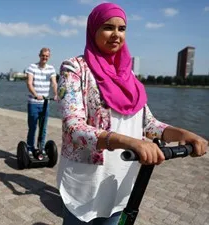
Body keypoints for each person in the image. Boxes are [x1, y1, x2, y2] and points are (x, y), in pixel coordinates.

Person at [56, 3, 208, 225]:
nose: (116, 34)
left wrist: (183, 134)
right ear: (93, 30)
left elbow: (148, 124)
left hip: (122, 179)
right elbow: (73, 127)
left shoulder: (129, 77)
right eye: (108, 27)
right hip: (86, 181)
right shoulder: (75, 68)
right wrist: (130, 143)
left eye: (122, 28)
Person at [25, 47, 58, 153]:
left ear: (49, 57)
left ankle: (41, 148)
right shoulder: (32, 67)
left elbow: (54, 83)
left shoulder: (51, 69)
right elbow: (29, 83)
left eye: (47, 56)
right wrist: (36, 94)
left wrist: (56, 94)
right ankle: (30, 148)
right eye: (43, 55)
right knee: (33, 127)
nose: (45, 58)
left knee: (43, 128)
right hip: (33, 102)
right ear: (39, 55)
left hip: (45, 103)